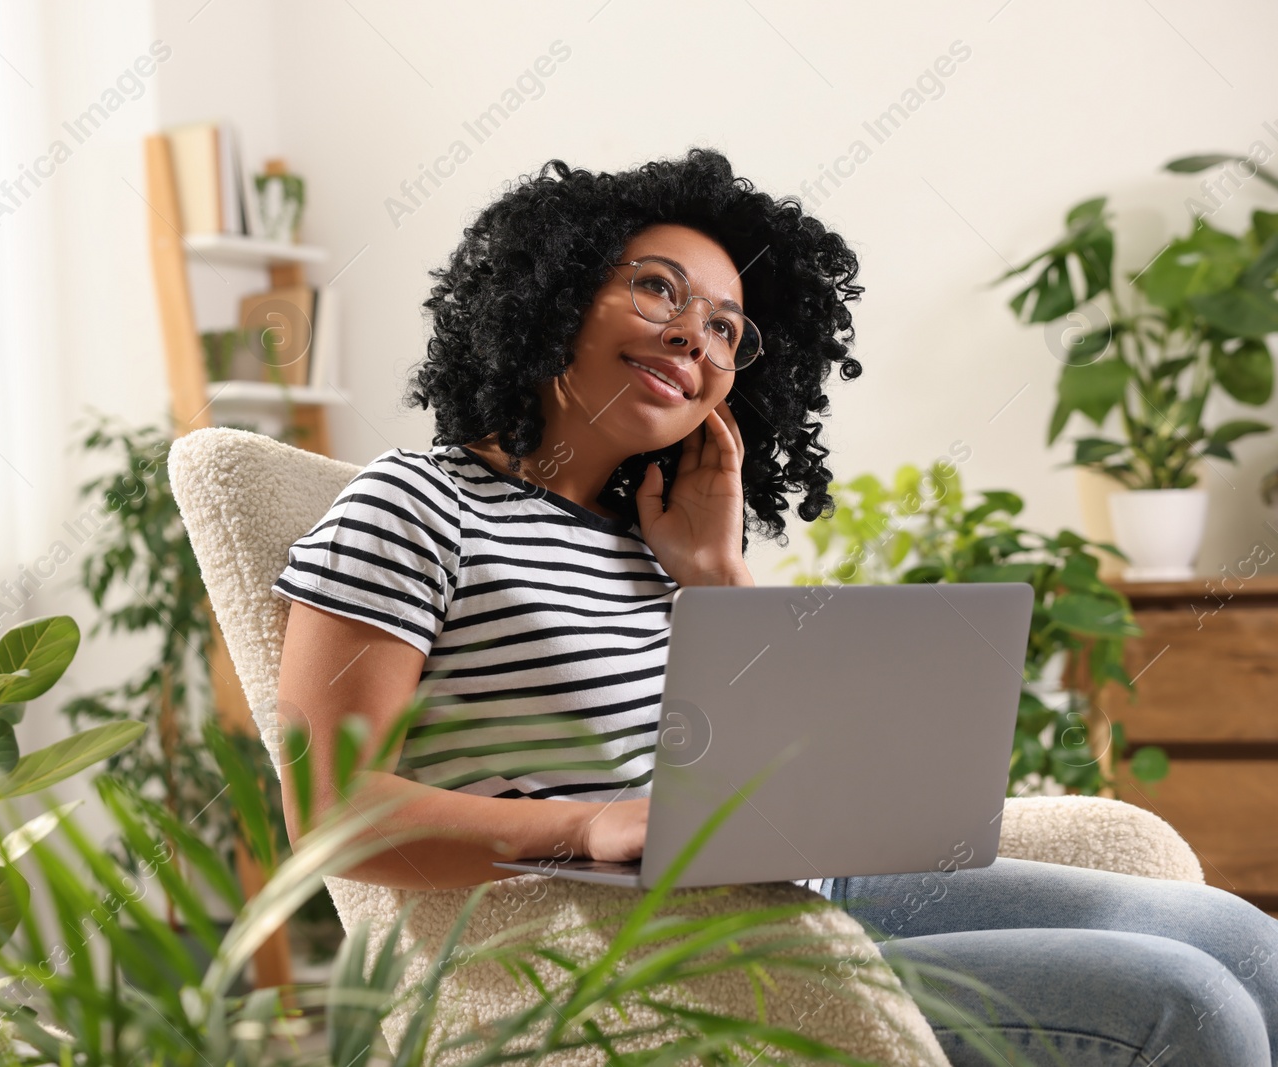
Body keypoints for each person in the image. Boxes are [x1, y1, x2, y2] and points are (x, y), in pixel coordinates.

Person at [270, 148, 1278, 1066]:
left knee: (1247, 939)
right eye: (655, 288)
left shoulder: (655, 534)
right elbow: (333, 815)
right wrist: (585, 824)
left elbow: (787, 780)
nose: (691, 337)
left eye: (725, 328)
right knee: (1183, 1001)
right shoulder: (417, 504)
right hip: (624, 944)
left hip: (794, 893)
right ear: (554, 294)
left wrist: (713, 574)